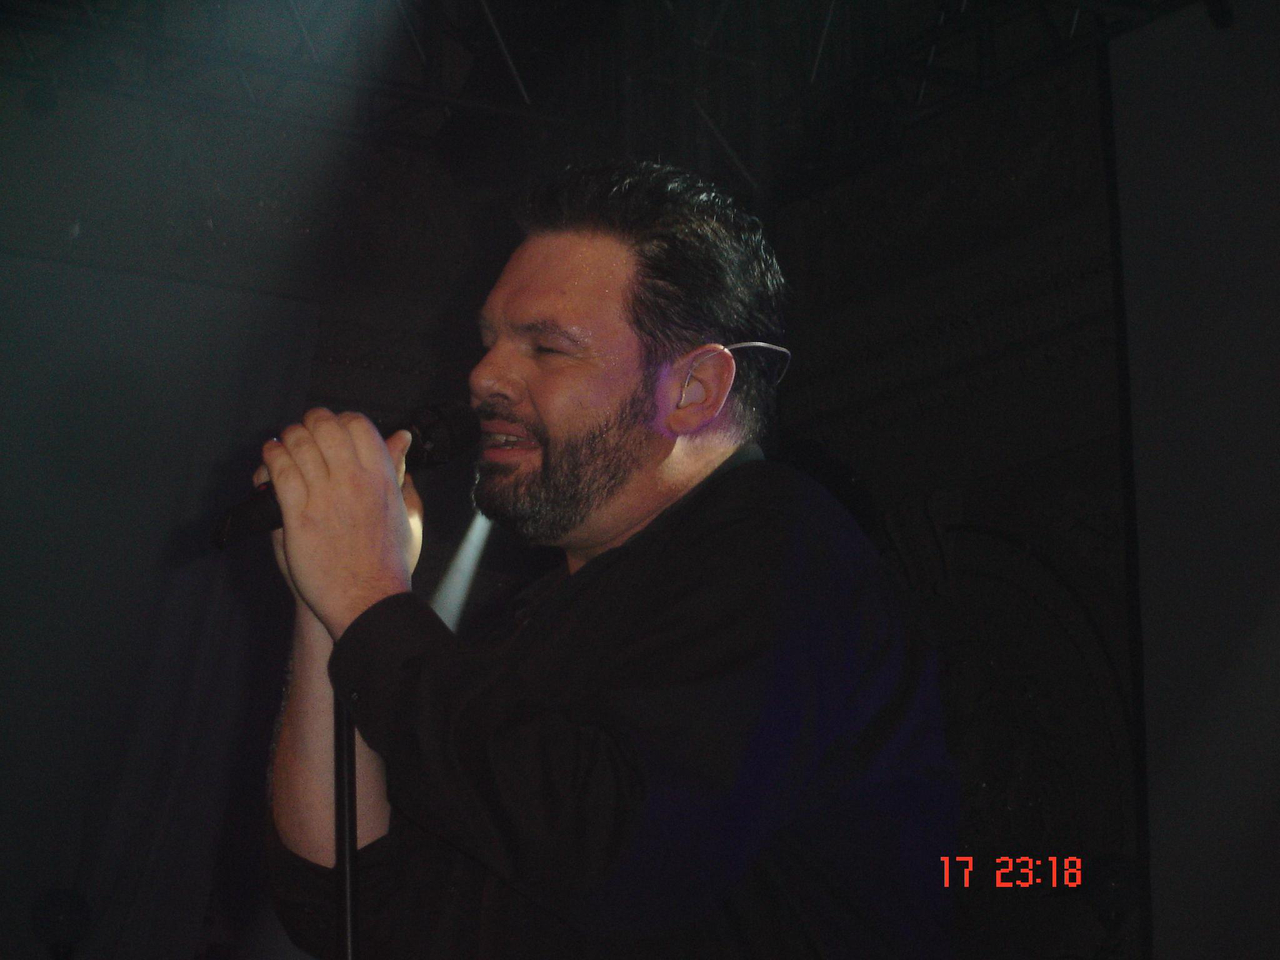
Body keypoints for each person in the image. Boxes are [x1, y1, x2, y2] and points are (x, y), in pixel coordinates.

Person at [261, 161, 958, 959]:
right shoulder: (533, 626)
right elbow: (347, 904)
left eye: (547, 348)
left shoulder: (782, 546)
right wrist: (327, 596)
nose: (484, 377)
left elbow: (625, 856)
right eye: (488, 342)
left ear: (693, 390)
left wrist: (367, 596)